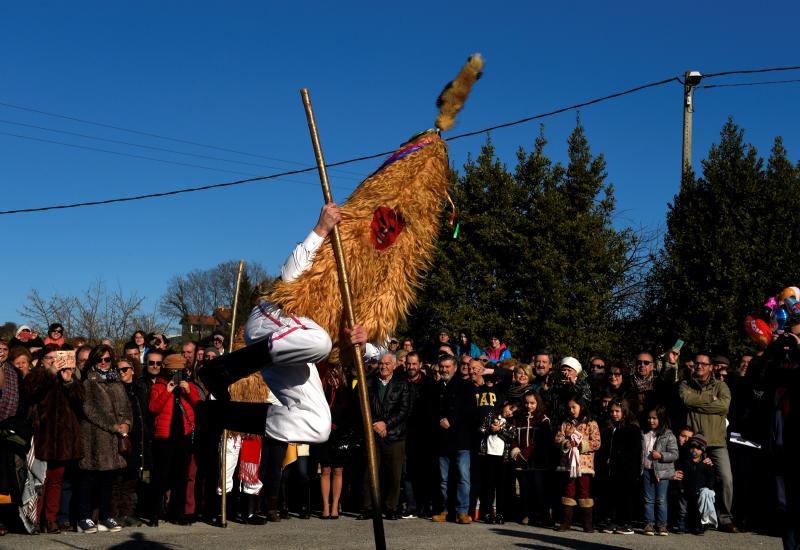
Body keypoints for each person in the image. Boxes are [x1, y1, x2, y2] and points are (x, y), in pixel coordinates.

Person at [22, 351, 84, 534]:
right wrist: (50, 373)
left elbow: (81, 399)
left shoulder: (69, 375)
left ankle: (51, 519)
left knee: (56, 480)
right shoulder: (36, 375)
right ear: (42, 360)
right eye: (50, 358)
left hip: (63, 438)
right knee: (39, 480)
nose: (55, 361)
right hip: (42, 435)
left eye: (58, 358)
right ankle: (34, 518)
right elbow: (31, 391)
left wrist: (69, 381)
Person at [678, 352, 736, 532]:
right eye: (697, 363)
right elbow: (686, 400)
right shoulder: (685, 384)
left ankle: (725, 518)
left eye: (704, 364)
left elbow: (724, 406)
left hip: (717, 442)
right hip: (694, 442)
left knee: (726, 479)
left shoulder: (721, 386)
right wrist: (711, 399)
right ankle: (692, 518)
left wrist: (696, 403)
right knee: (690, 479)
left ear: (711, 367)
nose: (699, 366)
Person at [77, 344, 132, 534]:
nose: (103, 363)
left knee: (108, 480)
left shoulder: (117, 381)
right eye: (99, 359)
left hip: (114, 440)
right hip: (94, 437)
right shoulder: (89, 381)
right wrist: (114, 426)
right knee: (88, 479)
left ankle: (105, 516)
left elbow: (127, 407)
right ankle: (83, 517)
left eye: (107, 359)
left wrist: (127, 424)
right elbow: (90, 410)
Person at [149, 353, 201, 526]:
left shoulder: (188, 386)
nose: (177, 375)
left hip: (183, 437)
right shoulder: (159, 386)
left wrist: (188, 390)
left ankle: (177, 513)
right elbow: (153, 408)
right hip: (164, 438)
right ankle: (155, 513)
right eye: (174, 372)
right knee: (160, 476)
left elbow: (199, 406)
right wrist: (167, 391)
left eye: (181, 371)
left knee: (181, 476)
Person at [358, 352, 410, 520]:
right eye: (381, 363)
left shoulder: (402, 383)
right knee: (369, 472)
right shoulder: (368, 382)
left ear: (394, 365)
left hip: (394, 435)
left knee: (394, 474)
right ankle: (368, 508)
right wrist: (375, 424)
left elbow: (404, 409)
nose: (384, 366)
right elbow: (361, 406)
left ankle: (391, 508)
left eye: (387, 363)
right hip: (372, 434)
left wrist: (386, 424)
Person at [431, 354, 476, 525]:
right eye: (442, 367)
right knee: (443, 479)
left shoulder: (466, 386)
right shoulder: (435, 387)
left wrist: (452, 420)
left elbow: (470, 410)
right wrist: (439, 420)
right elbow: (429, 409)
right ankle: (444, 510)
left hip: (461, 439)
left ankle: (462, 511)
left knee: (463, 477)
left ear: (455, 368)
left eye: (447, 366)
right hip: (442, 440)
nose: (444, 370)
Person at [555, 397, 601, 533]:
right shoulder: (566, 423)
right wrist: (565, 443)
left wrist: (582, 445)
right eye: (569, 408)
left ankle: (587, 524)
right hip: (569, 464)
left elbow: (597, 442)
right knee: (569, 490)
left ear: (581, 406)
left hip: (584, 465)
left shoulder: (591, 423)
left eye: (574, 407)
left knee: (584, 491)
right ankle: (566, 522)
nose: (571, 410)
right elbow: (558, 438)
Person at [596, 398, 641, 536]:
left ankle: (626, 523)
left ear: (624, 411)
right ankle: (612, 521)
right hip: (610, 470)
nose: (614, 414)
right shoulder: (608, 428)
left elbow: (634, 452)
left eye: (617, 411)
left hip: (626, 471)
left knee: (625, 497)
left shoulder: (632, 428)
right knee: (611, 496)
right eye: (612, 411)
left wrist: (619, 460)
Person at [315, 365, 352, 520]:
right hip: (324, 432)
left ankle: (335, 505)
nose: (333, 372)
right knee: (325, 470)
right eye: (331, 369)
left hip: (340, 433)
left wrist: (341, 426)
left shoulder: (345, 388)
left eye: (336, 369)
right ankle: (325, 505)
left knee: (338, 470)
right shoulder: (321, 386)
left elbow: (350, 411)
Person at [511, 392, 553, 527]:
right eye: (526, 403)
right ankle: (526, 514)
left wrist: (525, 454)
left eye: (532, 403)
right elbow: (512, 436)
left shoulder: (543, 419)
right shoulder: (518, 418)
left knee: (539, 488)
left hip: (537, 459)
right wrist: (515, 449)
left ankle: (544, 516)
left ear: (537, 403)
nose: (529, 406)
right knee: (524, 488)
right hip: (521, 459)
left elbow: (540, 441)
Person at [477, 401, 517, 524]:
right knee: (489, 486)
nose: (509, 412)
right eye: (509, 408)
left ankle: (500, 514)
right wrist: (490, 429)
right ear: (504, 404)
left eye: (512, 412)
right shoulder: (490, 416)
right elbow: (480, 430)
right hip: (488, 455)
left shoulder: (511, 423)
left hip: (502, 458)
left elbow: (512, 437)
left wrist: (500, 430)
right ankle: (487, 513)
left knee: (501, 487)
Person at [641, 406, 678, 536]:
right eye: (649, 418)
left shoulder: (668, 435)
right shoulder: (644, 434)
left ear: (661, 419)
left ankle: (662, 525)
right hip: (647, 470)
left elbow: (674, 454)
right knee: (648, 499)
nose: (651, 421)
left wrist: (661, 455)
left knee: (661, 499)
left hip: (662, 473)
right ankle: (649, 524)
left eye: (654, 418)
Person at [675, 434, 716, 535]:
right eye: (692, 448)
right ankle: (681, 526)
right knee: (682, 510)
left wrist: (708, 487)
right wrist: (680, 487)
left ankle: (697, 527)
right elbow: (680, 475)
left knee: (697, 511)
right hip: (684, 491)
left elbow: (711, 477)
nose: (694, 450)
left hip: (699, 492)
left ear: (703, 450)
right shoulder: (684, 462)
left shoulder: (706, 464)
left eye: (698, 449)